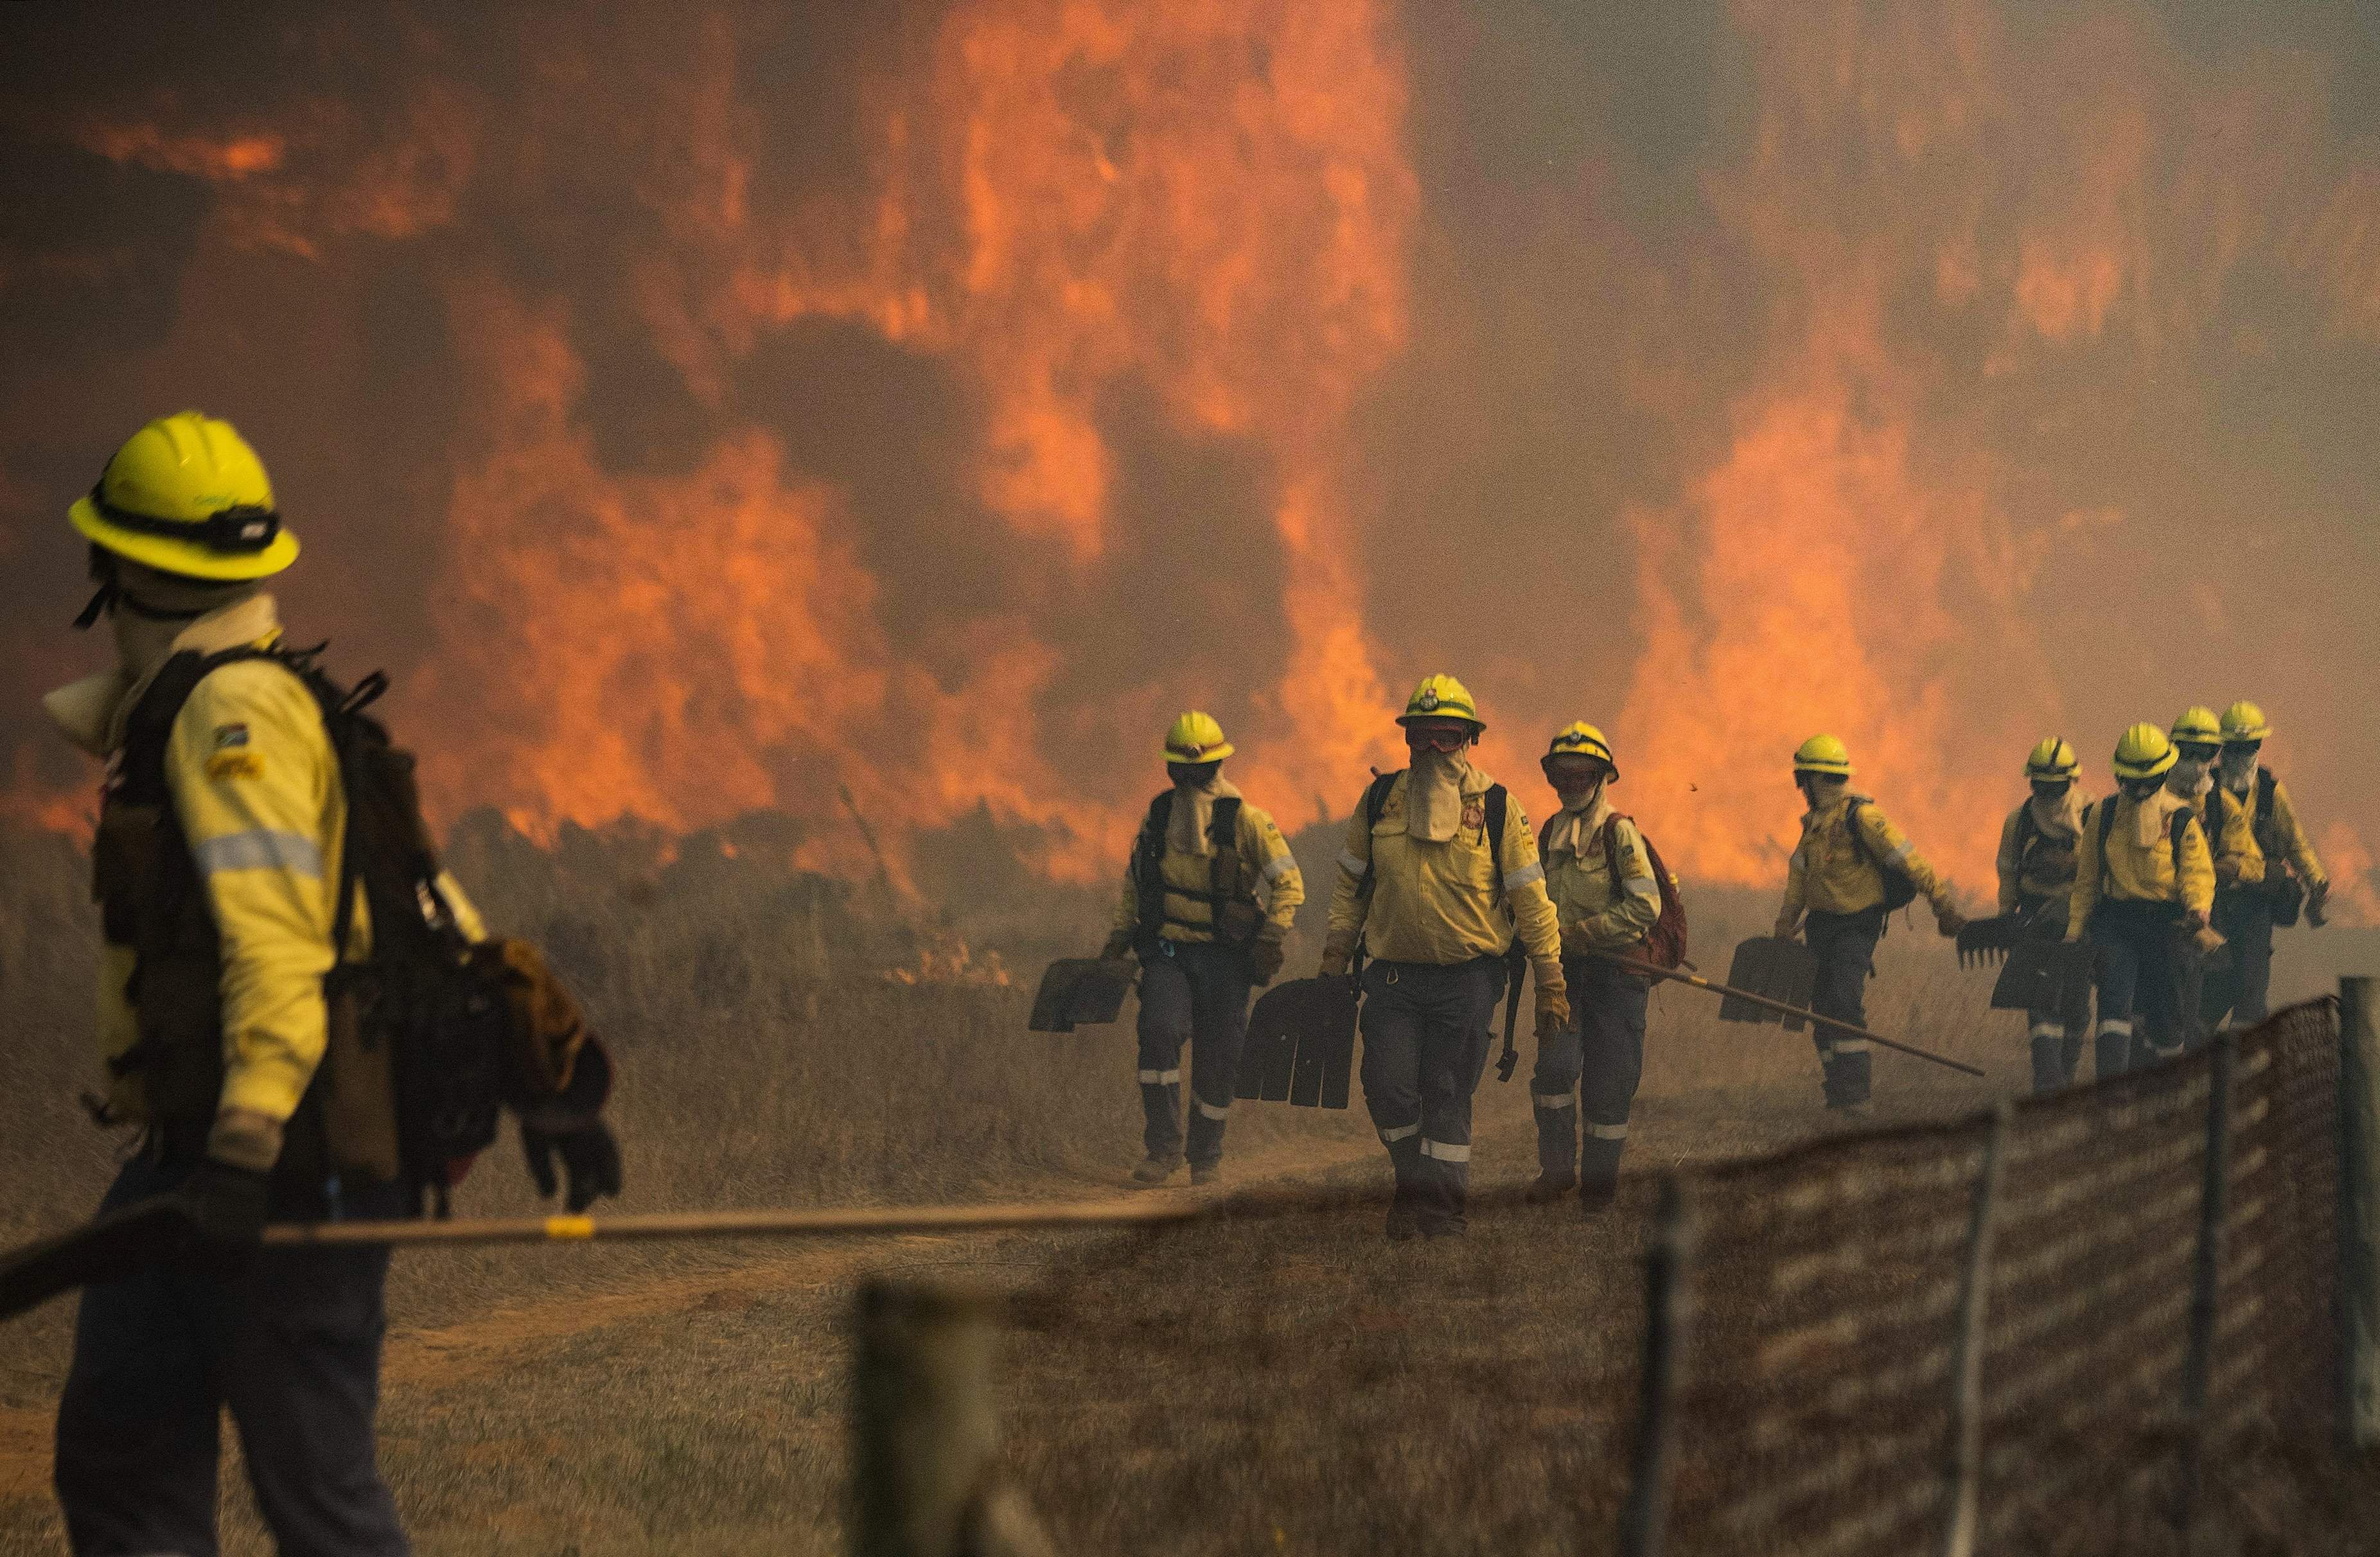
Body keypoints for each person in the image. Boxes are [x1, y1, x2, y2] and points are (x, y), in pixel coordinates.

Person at [42, 412, 619, 1556]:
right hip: (193, 1160)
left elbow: (277, 948)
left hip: (279, 1165)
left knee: (318, 1495)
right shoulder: (248, 697)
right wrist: (546, 1084)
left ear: (121, 565)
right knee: (123, 1463)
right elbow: (420, 909)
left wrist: (243, 1149)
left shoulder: (229, 714)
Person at [1321, 675, 1566, 1239]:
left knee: (1447, 1094)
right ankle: (1413, 1185)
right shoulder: (1380, 802)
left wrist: (1550, 978)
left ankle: (1442, 1215)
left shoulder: (1497, 807)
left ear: (1469, 741)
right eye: (1421, 736)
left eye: (1447, 737)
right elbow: (1349, 887)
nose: (1433, 748)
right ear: (1407, 740)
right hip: (1393, 978)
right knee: (1387, 1088)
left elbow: (1532, 900)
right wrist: (1334, 956)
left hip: (1468, 979)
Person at [1101, 711, 1304, 1186]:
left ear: (1218, 766)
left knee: (1220, 1059)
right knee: (1158, 1033)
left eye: (1200, 771)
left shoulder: (1247, 820)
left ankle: (1206, 1158)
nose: (1191, 781)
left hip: (1226, 960)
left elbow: (1289, 883)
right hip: (1169, 952)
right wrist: (1117, 940)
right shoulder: (1158, 816)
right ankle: (1162, 1150)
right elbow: (1136, 883)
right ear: (1170, 770)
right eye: (1181, 771)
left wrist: (1271, 937)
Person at [1773, 735, 1964, 1114]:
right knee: (1821, 1008)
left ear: (1819, 778)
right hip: (1821, 926)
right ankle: (1838, 1092)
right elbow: (1799, 878)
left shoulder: (1863, 818)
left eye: (1802, 779)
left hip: (1856, 926)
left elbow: (1911, 861)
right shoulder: (1814, 825)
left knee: (1844, 1000)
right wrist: (1785, 922)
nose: (1800, 789)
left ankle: (1857, 1096)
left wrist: (1943, 905)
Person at [1528, 723, 1660, 1212]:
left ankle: (1599, 1189)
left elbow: (1646, 907)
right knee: (1553, 1070)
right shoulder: (1549, 832)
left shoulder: (1618, 832)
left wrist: (1584, 933)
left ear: (1602, 778)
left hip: (1616, 976)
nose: (1570, 784)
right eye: (1560, 775)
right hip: (1564, 977)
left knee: (1609, 1085)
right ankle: (1556, 1171)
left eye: (1580, 775)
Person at [2067, 723, 2217, 1074]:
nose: (2139, 790)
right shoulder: (2103, 815)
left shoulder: (2180, 817)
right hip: (2116, 923)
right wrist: (2074, 932)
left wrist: (2198, 908)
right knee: (2113, 1006)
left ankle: (2169, 1090)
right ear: (2119, 776)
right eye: (2130, 782)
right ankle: (2111, 1091)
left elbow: (2197, 872)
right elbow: (2087, 880)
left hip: (2168, 925)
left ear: (2163, 775)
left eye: (2147, 782)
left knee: (2167, 1016)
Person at [2205, 701, 2329, 1028]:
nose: (2243, 755)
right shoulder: (2204, 790)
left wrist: (2317, 882)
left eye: (2251, 746)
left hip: (2255, 903)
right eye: (2236, 747)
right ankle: (2198, 1052)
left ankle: (2242, 1057)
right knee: (2210, 990)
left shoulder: (2272, 793)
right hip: (2211, 902)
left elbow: (2295, 842)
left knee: (2252, 991)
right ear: (2222, 748)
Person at [1994, 738, 2091, 1092]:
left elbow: (2108, 865)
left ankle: (2066, 1073)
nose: (2048, 794)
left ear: (2072, 781)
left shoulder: (2092, 814)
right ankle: (2048, 1083)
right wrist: (2006, 915)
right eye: (2041, 786)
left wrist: (2073, 864)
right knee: (2039, 1000)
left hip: (2080, 916)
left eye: (2056, 787)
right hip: (2035, 916)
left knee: (2076, 1005)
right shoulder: (2019, 821)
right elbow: (2007, 871)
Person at [2167, 707, 2264, 1046]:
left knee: (2220, 982)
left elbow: (2256, 864)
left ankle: (2195, 1053)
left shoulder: (2220, 804)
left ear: (2216, 754)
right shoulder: (2148, 797)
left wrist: (2232, 867)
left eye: (2205, 753)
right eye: (2188, 752)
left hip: (2202, 915)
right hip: (2154, 913)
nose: (2196, 763)